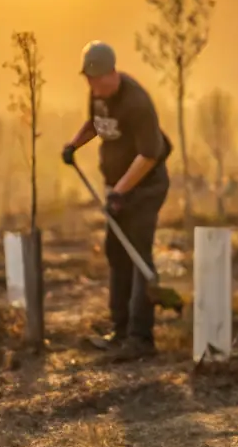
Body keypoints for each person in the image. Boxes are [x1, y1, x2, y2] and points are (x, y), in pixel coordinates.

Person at [63, 41, 171, 359]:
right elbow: (96, 126)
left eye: (97, 79)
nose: (92, 86)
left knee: (138, 255)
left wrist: (121, 191)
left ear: (113, 72)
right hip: (118, 191)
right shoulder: (98, 95)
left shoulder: (137, 102)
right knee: (116, 252)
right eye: (88, 80)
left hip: (145, 189)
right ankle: (120, 330)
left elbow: (149, 156)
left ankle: (141, 338)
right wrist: (74, 145)